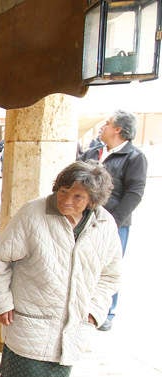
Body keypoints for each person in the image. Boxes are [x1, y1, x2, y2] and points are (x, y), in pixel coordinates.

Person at [0, 161, 121, 377]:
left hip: (73, 321)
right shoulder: (34, 214)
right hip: (31, 314)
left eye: (78, 197)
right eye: (63, 190)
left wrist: (95, 310)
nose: (66, 200)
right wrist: (1, 302)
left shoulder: (105, 225)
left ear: (93, 201)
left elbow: (111, 275)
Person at [79, 110, 147, 331]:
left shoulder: (134, 158)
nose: (102, 127)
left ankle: (105, 311)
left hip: (114, 222)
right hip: (85, 218)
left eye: (107, 124)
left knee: (109, 266)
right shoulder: (94, 152)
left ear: (118, 129)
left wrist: (115, 221)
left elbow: (134, 193)